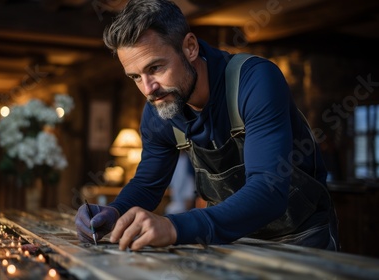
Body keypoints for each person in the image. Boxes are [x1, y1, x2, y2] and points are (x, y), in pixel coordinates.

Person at [75, 0, 339, 251]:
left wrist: (174, 226)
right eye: (135, 77)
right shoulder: (159, 111)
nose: (148, 89)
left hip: (300, 238)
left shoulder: (255, 81)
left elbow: (268, 192)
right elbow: (147, 185)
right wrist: (115, 211)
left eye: (155, 68)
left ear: (190, 47)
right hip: (233, 240)